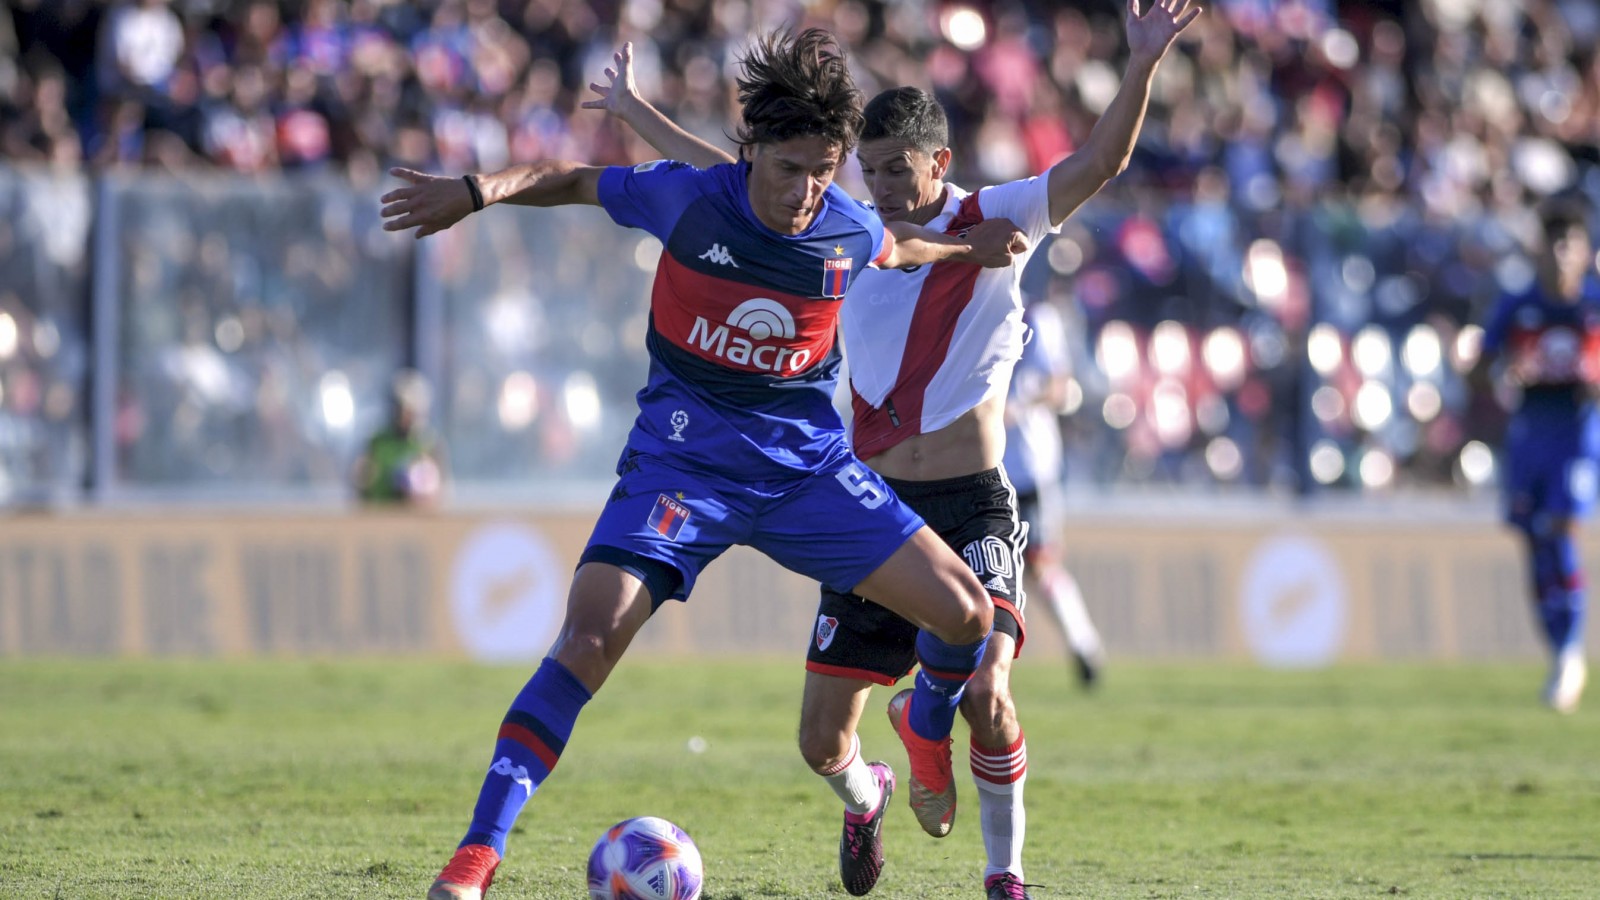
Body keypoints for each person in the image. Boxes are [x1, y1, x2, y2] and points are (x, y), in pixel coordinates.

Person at [380, 28, 1031, 900]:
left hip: (805, 472)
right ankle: (476, 857)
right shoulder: (688, 201)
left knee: (964, 617)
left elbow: (896, 244)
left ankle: (915, 736)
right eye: (787, 168)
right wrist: (476, 190)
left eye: (822, 170)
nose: (805, 193)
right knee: (590, 635)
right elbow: (572, 178)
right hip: (682, 466)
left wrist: (965, 250)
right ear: (749, 153)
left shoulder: (843, 223)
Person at [588, 2, 1198, 896]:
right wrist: (636, 112)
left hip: (974, 500)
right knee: (820, 740)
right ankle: (865, 792)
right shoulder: (846, 229)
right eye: (865, 171)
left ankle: (1003, 874)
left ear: (940, 163)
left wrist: (1142, 61)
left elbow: (1100, 163)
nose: (877, 188)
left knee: (989, 685)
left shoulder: (999, 217)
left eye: (896, 171)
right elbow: (734, 172)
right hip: (872, 506)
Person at [1470, 194, 1599, 714]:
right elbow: (1477, 368)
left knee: (1561, 528)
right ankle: (1559, 650)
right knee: (1532, 540)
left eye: (1572, 241)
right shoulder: (1516, 305)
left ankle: (1571, 651)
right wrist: (1504, 373)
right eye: (1554, 240)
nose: (1562, 251)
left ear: (1586, 250)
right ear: (1539, 247)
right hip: (1529, 435)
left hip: (1577, 435)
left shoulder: (1593, 306)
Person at [1002, 298, 1106, 688]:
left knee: (1040, 564)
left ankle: (1084, 646)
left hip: (1028, 466)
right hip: (985, 464)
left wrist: (1021, 402)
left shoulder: (1036, 315)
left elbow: (1059, 386)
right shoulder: (976, 304)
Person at [353, 368, 446, 506]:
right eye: (400, 407)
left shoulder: (429, 444)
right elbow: (361, 488)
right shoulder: (377, 442)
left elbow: (441, 496)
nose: (405, 414)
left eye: (410, 409)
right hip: (381, 517)